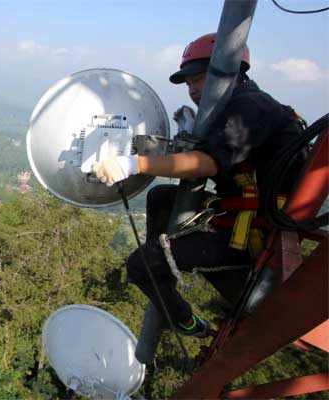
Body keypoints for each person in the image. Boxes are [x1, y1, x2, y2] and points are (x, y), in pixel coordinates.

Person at [92, 33, 308, 337]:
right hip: (244, 215)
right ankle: (162, 266)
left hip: (255, 235)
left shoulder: (248, 109)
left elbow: (208, 163)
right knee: (161, 197)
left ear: (231, 73)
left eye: (199, 79)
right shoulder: (238, 105)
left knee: (140, 266)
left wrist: (135, 164)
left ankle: (184, 321)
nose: (192, 90)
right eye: (189, 83)